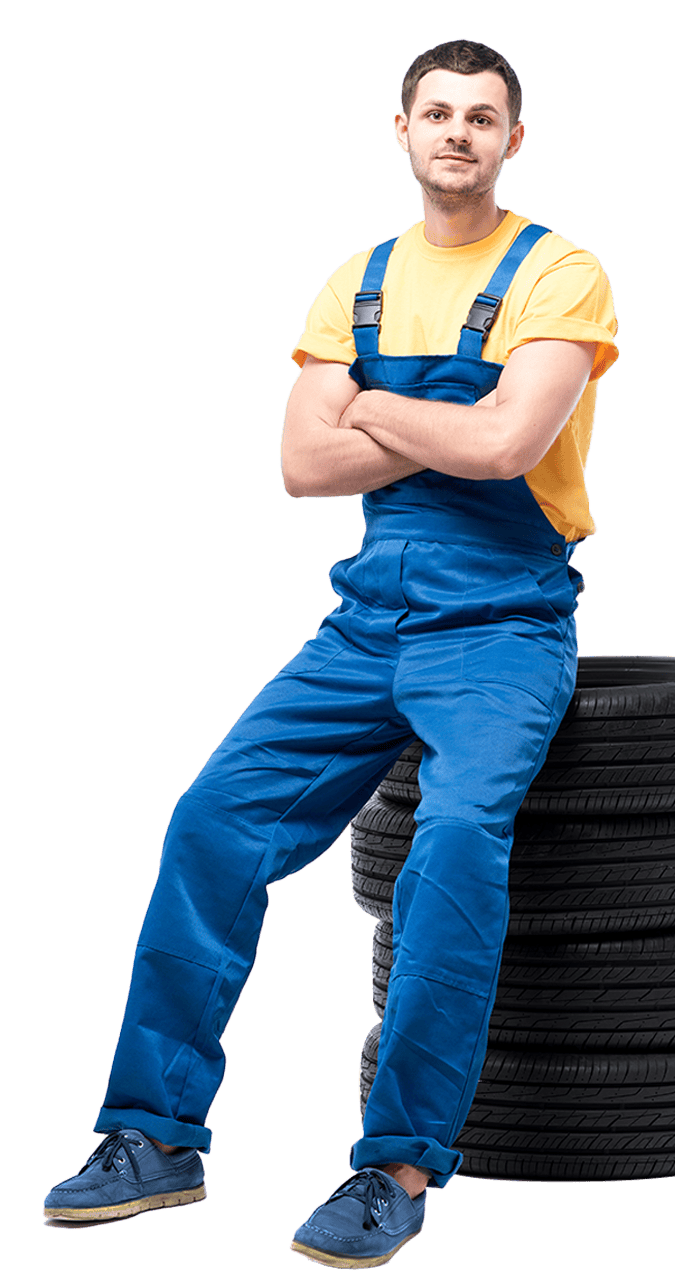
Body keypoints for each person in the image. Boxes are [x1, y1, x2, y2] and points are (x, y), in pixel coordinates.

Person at [42, 38, 619, 1267]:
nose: (456, 132)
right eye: (435, 113)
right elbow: (305, 469)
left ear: (511, 140)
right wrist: (443, 422)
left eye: (481, 116)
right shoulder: (353, 278)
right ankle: (153, 1134)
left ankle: (398, 1166)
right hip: (362, 624)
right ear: (400, 132)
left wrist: (369, 404)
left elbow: (511, 444)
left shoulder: (559, 272)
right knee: (208, 820)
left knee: (452, 845)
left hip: (502, 624)